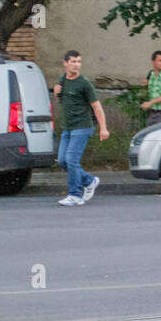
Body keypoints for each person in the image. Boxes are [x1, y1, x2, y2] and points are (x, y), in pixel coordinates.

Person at [53, 50, 109, 207]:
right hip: (68, 128)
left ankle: (75, 195)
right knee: (63, 161)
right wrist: (57, 91)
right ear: (65, 63)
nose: (76, 65)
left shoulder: (85, 83)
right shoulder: (62, 79)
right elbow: (61, 95)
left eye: (78, 62)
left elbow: (97, 107)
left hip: (82, 127)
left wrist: (103, 128)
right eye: (73, 61)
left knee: (71, 159)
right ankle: (89, 180)